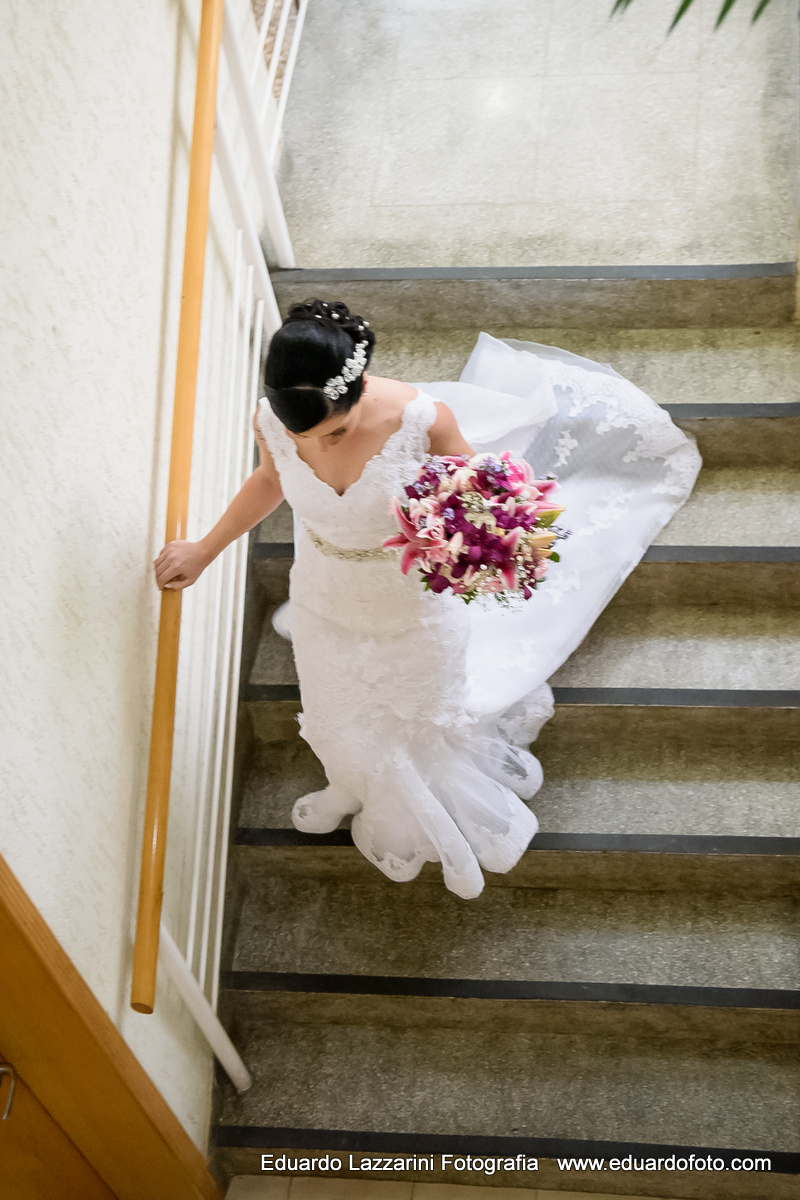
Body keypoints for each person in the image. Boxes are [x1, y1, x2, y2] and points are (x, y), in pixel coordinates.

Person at [154, 298, 701, 899]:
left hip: (411, 599)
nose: (319, 445)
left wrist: (483, 538)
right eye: (300, 435)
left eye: (335, 431)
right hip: (322, 592)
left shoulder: (421, 419)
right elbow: (270, 478)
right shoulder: (270, 420)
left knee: (418, 709)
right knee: (333, 712)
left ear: (360, 388)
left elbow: (483, 497)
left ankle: (423, 795)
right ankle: (350, 783)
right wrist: (205, 549)